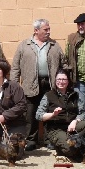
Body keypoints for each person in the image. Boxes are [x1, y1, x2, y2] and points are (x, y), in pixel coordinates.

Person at [11, 19, 66, 151]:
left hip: (50, 84)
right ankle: (31, 140)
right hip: (30, 84)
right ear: (36, 30)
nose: (48, 32)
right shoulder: (24, 45)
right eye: (45, 29)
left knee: (50, 112)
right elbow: (15, 67)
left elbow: (64, 63)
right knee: (30, 113)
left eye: (49, 29)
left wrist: (64, 79)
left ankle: (50, 139)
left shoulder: (54, 45)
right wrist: (14, 86)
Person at [35, 69, 85, 158]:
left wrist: (75, 121)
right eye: (58, 79)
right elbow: (38, 115)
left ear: (68, 81)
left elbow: (83, 112)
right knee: (70, 149)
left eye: (64, 79)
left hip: (71, 128)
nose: (61, 82)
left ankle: (76, 148)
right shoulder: (48, 95)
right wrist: (52, 114)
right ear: (55, 81)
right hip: (55, 129)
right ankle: (62, 148)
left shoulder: (75, 94)